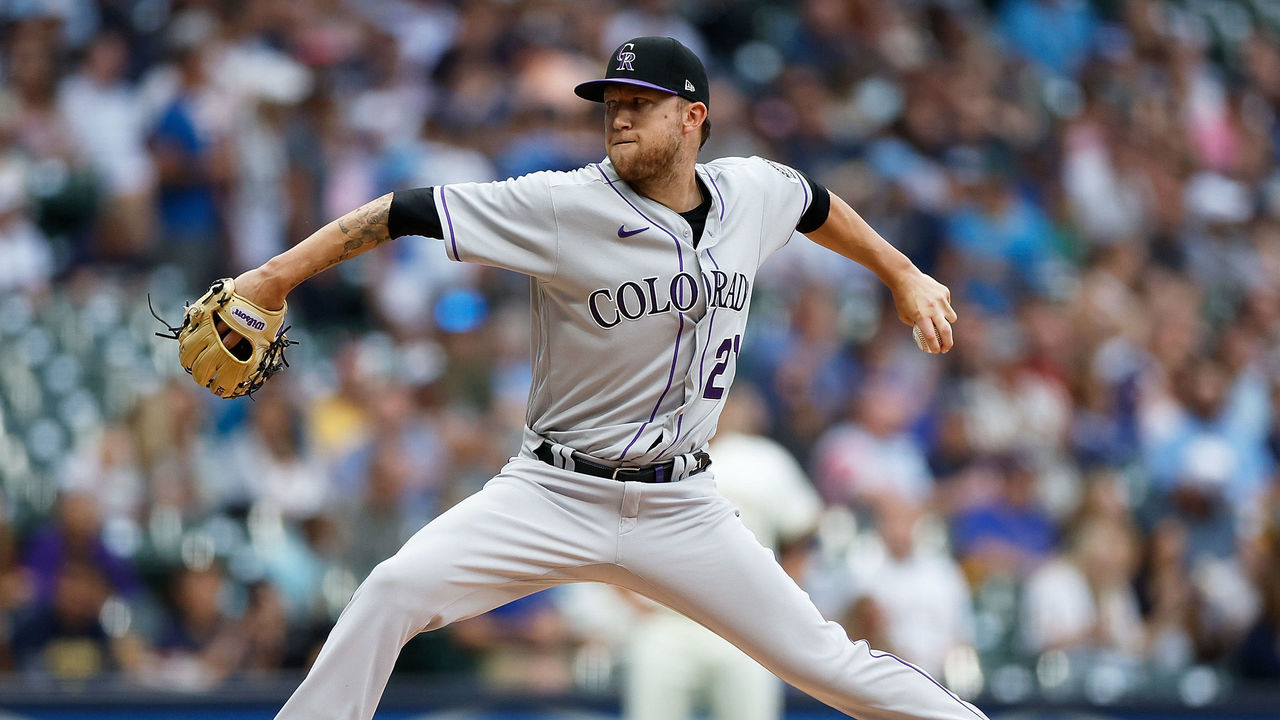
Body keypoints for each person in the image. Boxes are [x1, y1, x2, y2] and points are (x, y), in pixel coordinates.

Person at [221, 36, 977, 720]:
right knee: (391, 592)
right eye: (612, 106)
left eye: (640, 105)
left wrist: (902, 272)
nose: (619, 119)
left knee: (829, 665)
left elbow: (814, 202)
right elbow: (406, 211)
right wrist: (273, 276)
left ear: (693, 118)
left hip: (683, 506)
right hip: (553, 491)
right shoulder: (561, 203)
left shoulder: (750, 190)